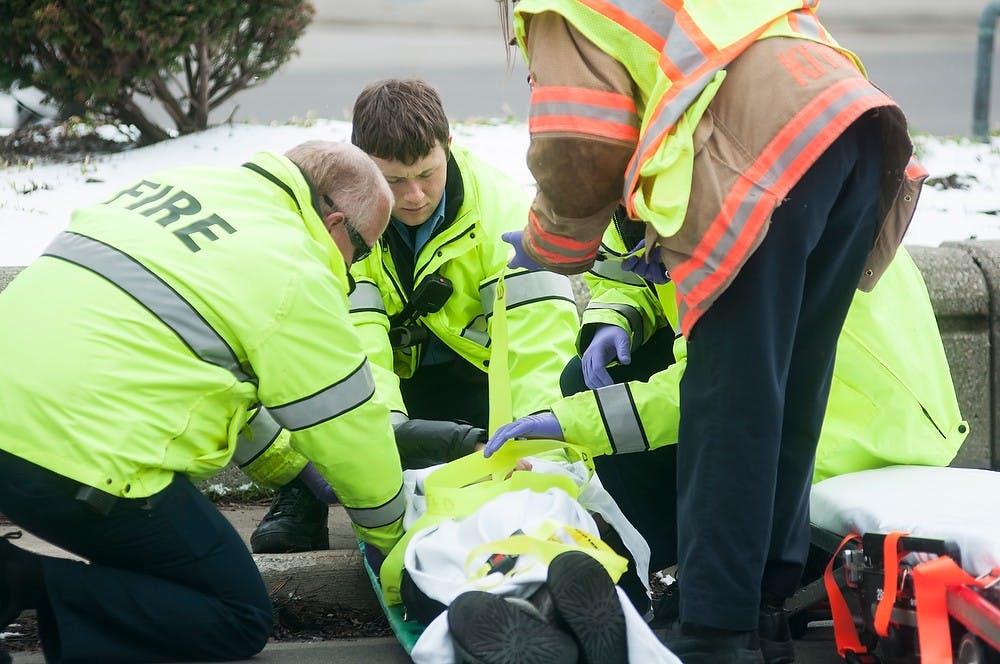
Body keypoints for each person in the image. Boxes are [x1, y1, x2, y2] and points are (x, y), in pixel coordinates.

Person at [492, 2, 929, 662]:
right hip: (851, 127)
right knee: (787, 394)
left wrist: (549, 244)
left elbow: (583, 142)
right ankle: (760, 616)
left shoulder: (560, 3)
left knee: (729, 403)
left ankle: (716, 635)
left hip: (770, 149)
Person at [0, 140, 407, 663]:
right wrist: (391, 537)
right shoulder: (294, 265)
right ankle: (18, 581)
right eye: (364, 249)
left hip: (18, 422)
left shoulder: (180, 186)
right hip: (76, 458)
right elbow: (350, 425)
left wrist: (292, 467)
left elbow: (204, 367)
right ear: (333, 224)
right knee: (237, 615)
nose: (354, 271)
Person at [487, 213, 969, 654]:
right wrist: (614, 320)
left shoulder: (741, 230)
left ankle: (717, 602)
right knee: (593, 379)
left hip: (860, 429)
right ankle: (690, 581)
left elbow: (703, 388)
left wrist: (569, 422)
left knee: (690, 430)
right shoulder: (670, 184)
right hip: (815, 394)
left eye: (660, 264)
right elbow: (625, 264)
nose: (655, 275)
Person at [248, 78, 581, 553]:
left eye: (427, 174)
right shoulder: (340, 218)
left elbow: (540, 347)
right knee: (306, 379)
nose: (414, 197)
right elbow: (352, 349)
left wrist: (539, 459)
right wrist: (380, 446)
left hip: (475, 386)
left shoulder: (505, 211)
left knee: (508, 446)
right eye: (394, 181)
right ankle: (304, 495)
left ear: (449, 145)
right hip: (389, 395)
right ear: (360, 162)